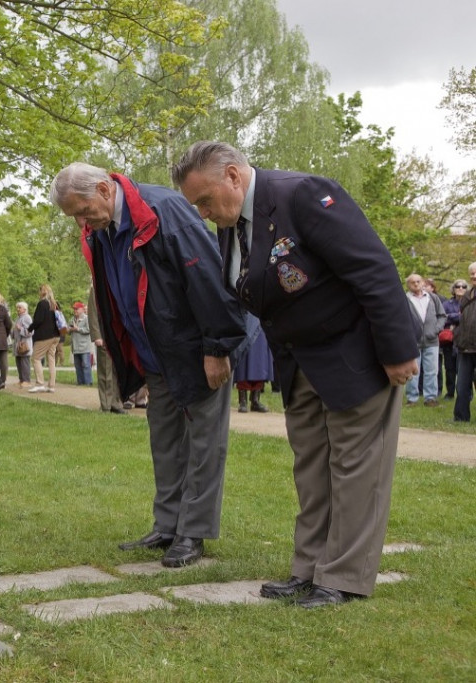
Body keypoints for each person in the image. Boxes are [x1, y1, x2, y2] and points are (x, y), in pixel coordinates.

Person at [172, 141, 418, 607]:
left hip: (354, 353)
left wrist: (398, 349)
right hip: (300, 361)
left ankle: (343, 577)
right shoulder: (233, 224)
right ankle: (308, 569)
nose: (203, 213)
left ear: (233, 176)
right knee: (310, 468)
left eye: (204, 200)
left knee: (355, 467)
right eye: (196, 206)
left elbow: (373, 269)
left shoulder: (302, 194)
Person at [51, 162, 245, 570]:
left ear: (104, 190)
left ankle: (193, 532)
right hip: (157, 354)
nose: (81, 223)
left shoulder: (165, 211)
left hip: (196, 352)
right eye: (74, 217)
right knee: (165, 441)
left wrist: (217, 348)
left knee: (204, 444)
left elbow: (208, 281)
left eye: (83, 211)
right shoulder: (101, 230)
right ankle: (168, 525)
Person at [404, 273, 446, 407]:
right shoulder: (405, 299)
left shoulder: (433, 298)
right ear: (408, 285)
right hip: (412, 341)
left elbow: (442, 315)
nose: (416, 284)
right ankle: (412, 399)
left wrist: (436, 329)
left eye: (418, 281)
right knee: (413, 371)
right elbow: (400, 319)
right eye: (413, 282)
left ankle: (430, 398)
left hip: (432, 340)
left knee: (432, 371)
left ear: (423, 283)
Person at [86, 284, 127, 414]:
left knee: (116, 371)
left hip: (117, 336)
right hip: (103, 335)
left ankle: (116, 403)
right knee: (105, 371)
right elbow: (92, 313)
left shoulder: (116, 284)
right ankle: (106, 405)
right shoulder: (96, 288)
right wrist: (96, 335)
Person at [233, 314, 273, 413]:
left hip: (261, 319)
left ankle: (255, 400)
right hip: (246, 318)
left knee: (261, 361)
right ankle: (243, 401)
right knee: (244, 360)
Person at [27, 284, 61, 393]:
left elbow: (38, 320)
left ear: (42, 292)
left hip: (45, 336)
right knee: (51, 359)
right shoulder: (55, 304)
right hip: (56, 336)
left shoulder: (42, 304)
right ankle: (51, 385)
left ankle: (40, 383)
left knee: (36, 358)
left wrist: (30, 328)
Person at [453, 263, 476, 422]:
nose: (474, 276)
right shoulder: (467, 295)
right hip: (465, 347)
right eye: (472, 273)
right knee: (461, 386)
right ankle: (461, 417)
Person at [443, 278, 467, 400]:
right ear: (454, 288)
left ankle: (465, 394)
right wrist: (459, 317)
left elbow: (469, 318)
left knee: (464, 369)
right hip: (449, 341)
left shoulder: (470, 303)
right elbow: (443, 318)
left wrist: (453, 317)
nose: (461, 288)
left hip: (465, 341)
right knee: (449, 368)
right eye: (458, 286)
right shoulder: (446, 304)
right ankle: (450, 393)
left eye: (464, 286)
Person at [69, 302, 93, 386]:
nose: (75, 310)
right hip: (75, 346)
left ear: (82, 309)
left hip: (84, 346)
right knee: (77, 365)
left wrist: (78, 329)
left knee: (86, 365)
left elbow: (89, 330)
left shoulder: (86, 318)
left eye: (77, 309)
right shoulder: (72, 319)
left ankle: (88, 382)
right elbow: (69, 330)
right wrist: (69, 329)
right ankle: (80, 382)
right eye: (74, 309)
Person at [12, 302, 34, 387]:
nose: (17, 309)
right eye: (17, 307)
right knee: (19, 362)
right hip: (18, 344)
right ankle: (21, 380)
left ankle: (27, 381)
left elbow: (31, 332)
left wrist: (20, 329)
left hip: (25, 344)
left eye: (19, 307)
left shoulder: (27, 318)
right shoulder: (18, 318)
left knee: (25, 363)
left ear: (25, 309)